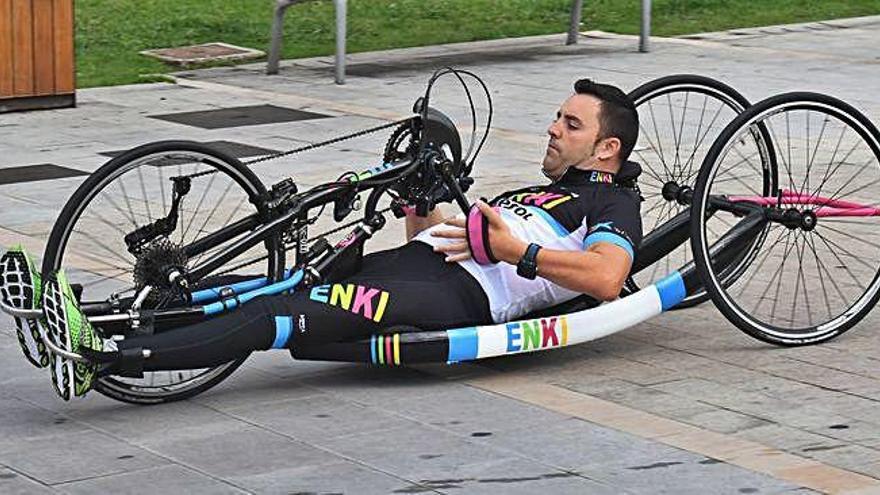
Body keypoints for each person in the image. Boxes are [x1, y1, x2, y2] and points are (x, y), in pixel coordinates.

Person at [4, 78, 642, 400]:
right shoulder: (531, 192)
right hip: (415, 266)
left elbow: (608, 278)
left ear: (607, 147)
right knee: (260, 284)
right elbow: (438, 234)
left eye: (571, 123)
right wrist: (418, 202)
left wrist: (515, 251)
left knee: (284, 314)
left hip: (458, 302)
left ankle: (105, 361)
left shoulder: (612, 201)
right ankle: (87, 322)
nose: (553, 129)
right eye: (557, 116)